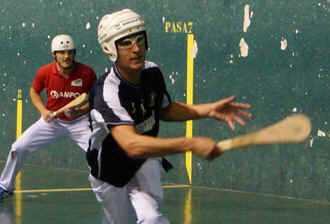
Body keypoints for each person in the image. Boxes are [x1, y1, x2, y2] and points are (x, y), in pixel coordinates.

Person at [87, 9, 252, 224]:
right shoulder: (107, 92)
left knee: (152, 219)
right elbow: (131, 144)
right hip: (110, 174)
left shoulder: (152, 72)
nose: (136, 49)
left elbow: (164, 109)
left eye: (140, 39)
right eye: (126, 43)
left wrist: (207, 110)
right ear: (111, 48)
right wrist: (190, 144)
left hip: (145, 161)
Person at [0, 34, 97, 199]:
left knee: (100, 152)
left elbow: (96, 100)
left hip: (80, 123)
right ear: (54, 54)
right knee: (18, 148)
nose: (66, 56)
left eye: (69, 52)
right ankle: (4, 186)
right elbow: (34, 92)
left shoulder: (87, 73)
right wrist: (43, 111)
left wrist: (79, 111)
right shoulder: (45, 72)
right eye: (61, 52)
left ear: (74, 53)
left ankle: (106, 190)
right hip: (52, 122)